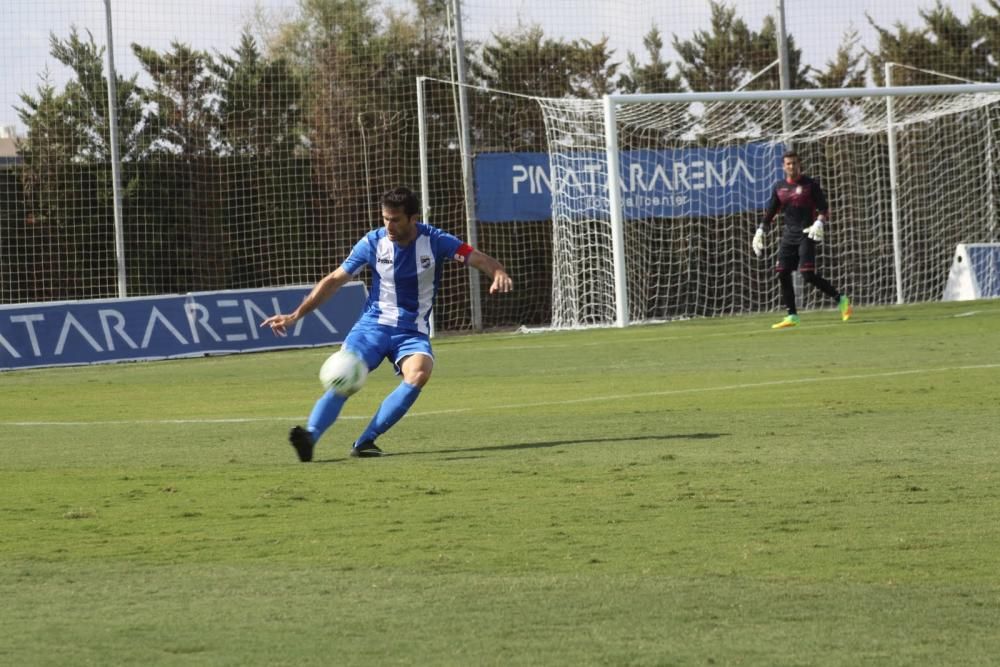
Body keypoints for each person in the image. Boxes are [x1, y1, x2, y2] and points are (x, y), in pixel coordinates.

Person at [261, 186, 513, 461]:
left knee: (419, 373)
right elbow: (334, 280)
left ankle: (366, 441)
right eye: (385, 218)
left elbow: (477, 257)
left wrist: (497, 271)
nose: (389, 225)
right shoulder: (372, 243)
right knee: (344, 375)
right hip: (372, 327)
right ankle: (310, 436)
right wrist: (296, 315)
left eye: (395, 219)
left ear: (413, 218)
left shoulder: (437, 241)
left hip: (411, 331)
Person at [752, 151, 853, 329]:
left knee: (807, 274)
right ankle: (792, 316)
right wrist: (760, 231)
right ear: (783, 166)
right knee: (782, 272)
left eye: (794, 163)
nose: (791, 166)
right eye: (788, 164)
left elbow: (824, 209)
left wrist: (819, 223)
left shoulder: (811, 185)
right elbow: (770, 213)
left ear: (800, 165)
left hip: (808, 232)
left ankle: (841, 299)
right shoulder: (779, 187)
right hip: (789, 235)